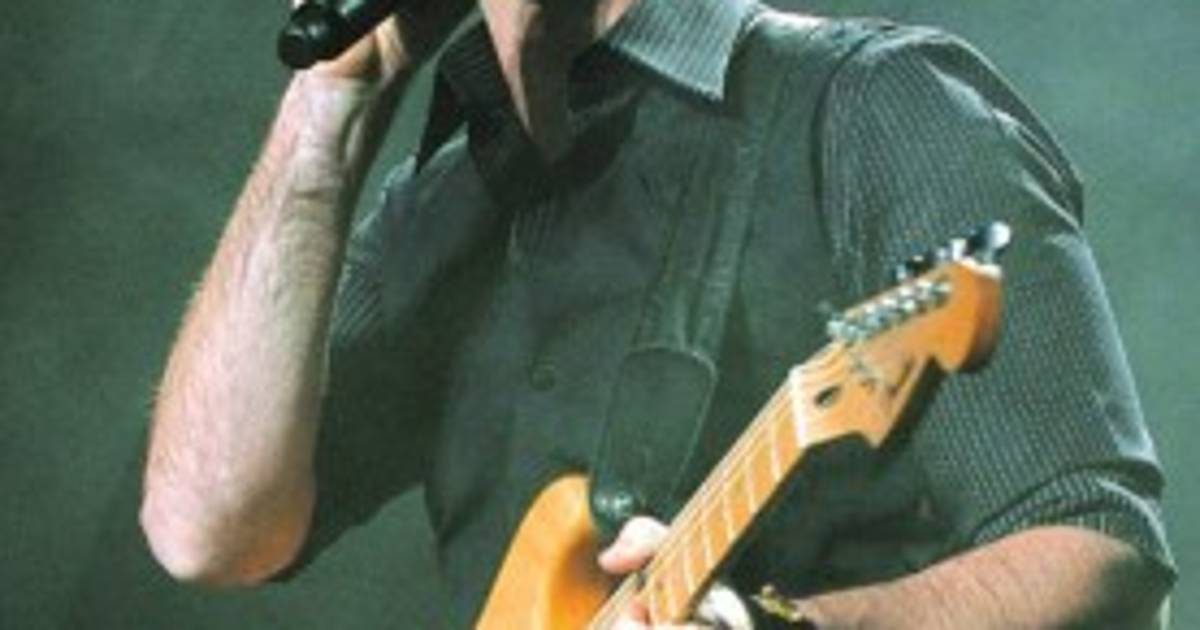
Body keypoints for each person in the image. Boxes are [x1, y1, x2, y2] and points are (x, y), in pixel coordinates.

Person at [139, 0, 1175, 627]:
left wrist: (783, 629)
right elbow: (208, 533)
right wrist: (329, 109)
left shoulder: (874, 103)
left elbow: (1104, 558)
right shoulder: (442, 203)